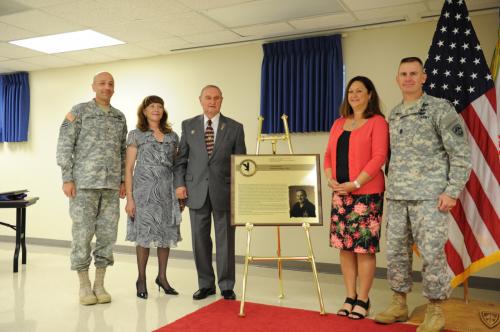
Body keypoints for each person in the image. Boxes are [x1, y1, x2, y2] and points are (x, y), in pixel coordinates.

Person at [374, 57, 471, 332]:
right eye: (403, 73)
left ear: (423, 77)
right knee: (395, 254)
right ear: (397, 79)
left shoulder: (440, 109)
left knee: (432, 254)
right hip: (396, 197)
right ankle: (399, 303)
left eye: (413, 73)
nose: (408, 78)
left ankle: (436, 310)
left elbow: (461, 153)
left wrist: (452, 191)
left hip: (430, 196)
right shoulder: (393, 114)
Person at [56, 72, 127, 305]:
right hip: (84, 184)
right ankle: (84, 285)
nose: (107, 87)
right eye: (102, 83)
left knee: (107, 235)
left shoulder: (119, 117)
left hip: (110, 186)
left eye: (110, 84)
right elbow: (65, 145)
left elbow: (123, 151)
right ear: (93, 87)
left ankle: (100, 283)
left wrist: (124, 181)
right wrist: (67, 178)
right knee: (83, 234)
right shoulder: (80, 111)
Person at [324, 76, 389, 319]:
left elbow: (379, 157)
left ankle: (363, 299)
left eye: (359, 91)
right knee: (345, 248)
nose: (354, 95)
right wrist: (331, 178)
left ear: (370, 95)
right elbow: (329, 154)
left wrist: (356, 183)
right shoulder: (339, 123)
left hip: (366, 195)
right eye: (350, 91)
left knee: (363, 248)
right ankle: (349, 296)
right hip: (341, 194)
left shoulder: (378, 122)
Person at [173, 85, 246, 300]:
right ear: (200, 100)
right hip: (195, 192)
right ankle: (205, 284)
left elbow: (241, 164)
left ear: (221, 100)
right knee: (200, 241)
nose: (212, 102)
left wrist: (239, 194)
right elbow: (180, 161)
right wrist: (179, 184)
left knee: (225, 242)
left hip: (224, 192)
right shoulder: (188, 126)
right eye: (208, 98)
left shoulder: (235, 128)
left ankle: (226, 285)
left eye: (216, 98)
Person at [124, 95, 182, 300]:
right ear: (145, 111)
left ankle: (162, 277)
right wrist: (130, 199)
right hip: (144, 193)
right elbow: (129, 168)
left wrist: (178, 193)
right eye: (152, 107)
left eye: (159, 106)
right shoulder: (136, 135)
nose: (156, 109)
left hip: (166, 192)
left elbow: (177, 167)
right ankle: (141, 278)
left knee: (165, 236)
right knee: (145, 237)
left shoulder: (173, 136)